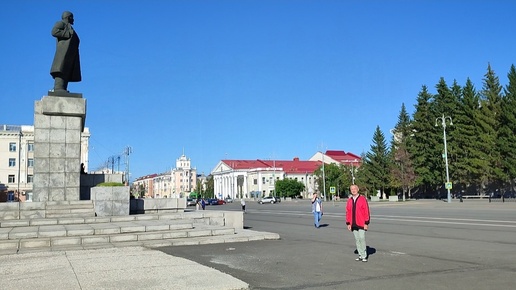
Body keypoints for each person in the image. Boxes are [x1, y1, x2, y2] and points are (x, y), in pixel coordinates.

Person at [50, 11, 81, 93]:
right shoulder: (61, 23)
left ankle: (63, 88)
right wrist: (67, 34)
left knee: (66, 71)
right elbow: (54, 31)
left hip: (69, 55)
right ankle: (58, 88)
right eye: (72, 17)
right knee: (61, 69)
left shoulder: (69, 26)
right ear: (68, 17)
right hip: (63, 54)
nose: (73, 19)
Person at [345, 184, 370, 262]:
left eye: (354, 189)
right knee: (357, 239)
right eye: (352, 189)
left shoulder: (362, 199)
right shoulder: (349, 200)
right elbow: (348, 212)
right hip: (353, 223)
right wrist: (348, 223)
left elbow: (366, 211)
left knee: (362, 238)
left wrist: (366, 223)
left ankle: (364, 255)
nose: (353, 190)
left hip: (361, 223)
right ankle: (360, 254)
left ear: (358, 189)